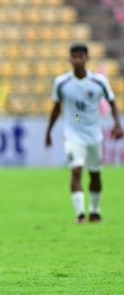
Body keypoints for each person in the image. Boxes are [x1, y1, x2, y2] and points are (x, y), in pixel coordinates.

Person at [45, 42, 122, 224]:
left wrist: (118, 124)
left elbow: (112, 102)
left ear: (87, 58)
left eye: (81, 56)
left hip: (94, 134)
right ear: (70, 59)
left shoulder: (99, 81)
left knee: (95, 174)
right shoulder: (62, 82)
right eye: (74, 56)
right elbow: (56, 108)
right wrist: (48, 131)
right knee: (76, 171)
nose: (77, 60)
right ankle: (80, 214)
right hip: (73, 134)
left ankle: (95, 211)